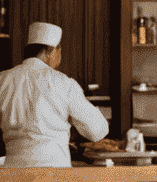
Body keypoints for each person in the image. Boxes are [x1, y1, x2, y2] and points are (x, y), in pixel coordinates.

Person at [0, 21, 108, 168]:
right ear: (49, 51)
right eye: (59, 49)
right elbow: (97, 131)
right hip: (55, 173)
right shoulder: (63, 82)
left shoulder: (3, 79)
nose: (60, 55)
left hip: (13, 174)